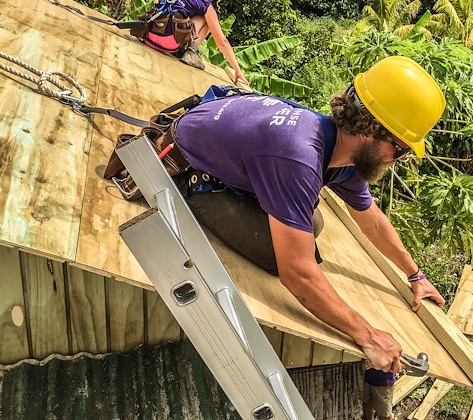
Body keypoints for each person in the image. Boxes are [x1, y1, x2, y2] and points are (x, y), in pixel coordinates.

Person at [170, 55, 447, 373]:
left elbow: (371, 220)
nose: (398, 160)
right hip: (195, 172)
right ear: (372, 133)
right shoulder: (298, 155)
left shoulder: (341, 150)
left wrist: (415, 276)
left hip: (230, 156)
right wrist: (369, 336)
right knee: (283, 258)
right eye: (402, 149)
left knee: (312, 224)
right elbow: (297, 276)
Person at [143, 0, 248, 86]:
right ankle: (191, 53)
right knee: (210, 20)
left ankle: (184, 49)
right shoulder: (205, 3)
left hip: (148, 34)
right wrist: (238, 70)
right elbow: (222, 41)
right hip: (167, 43)